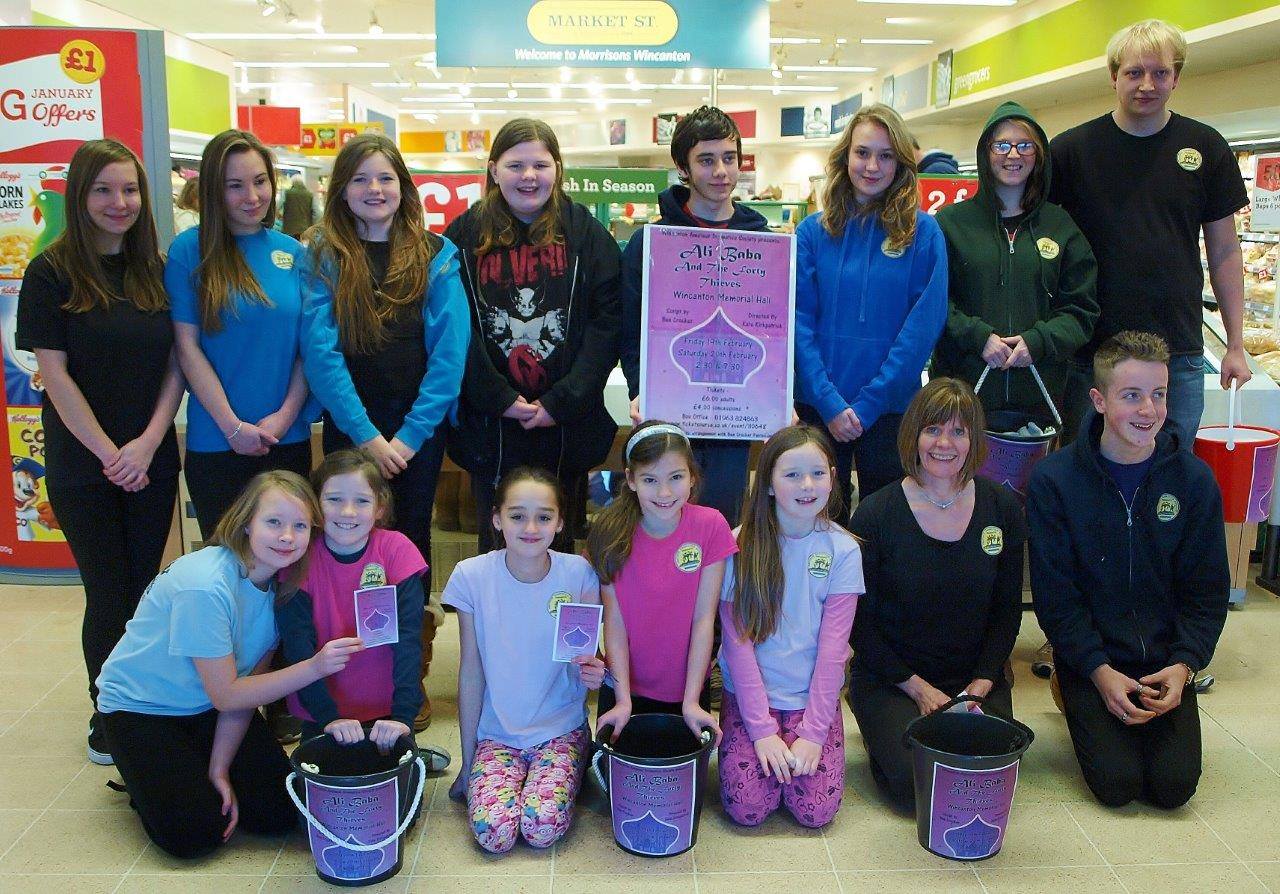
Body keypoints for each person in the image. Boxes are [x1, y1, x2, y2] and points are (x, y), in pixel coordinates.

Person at [16, 139, 185, 767]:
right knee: (108, 590)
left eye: (131, 190)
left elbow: (176, 364)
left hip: (151, 457)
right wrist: (112, 454)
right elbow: (55, 375)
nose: (120, 203)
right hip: (83, 463)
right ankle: (108, 712)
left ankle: (144, 701)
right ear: (80, 196)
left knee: (144, 589)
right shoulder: (51, 272)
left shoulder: (155, 270)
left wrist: (147, 443)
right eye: (104, 190)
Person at [95, 471, 364, 858]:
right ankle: (143, 780)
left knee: (280, 814)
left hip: (207, 705)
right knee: (194, 836)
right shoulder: (205, 584)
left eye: (300, 526)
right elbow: (227, 694)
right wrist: (315, 667)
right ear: (246, 523)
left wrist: (220, 769)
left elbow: (244, 694)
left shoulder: (282, 587)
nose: (287, 536)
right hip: (142, 709)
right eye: (274, 522)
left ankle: (191, 765)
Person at [300, 134, 469, 729]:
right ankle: (349, 677)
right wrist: (368, 437)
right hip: (353, 435)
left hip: (416, 437)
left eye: (385, 178)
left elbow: (449, 354)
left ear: (403, 186)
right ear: (342, 191)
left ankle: (405, 681)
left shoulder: (437, 254)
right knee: (346, 548)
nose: (374, 190)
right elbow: (321, 352)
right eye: (360, 179)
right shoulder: (324, 256)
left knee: (407, 551)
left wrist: (410, 436)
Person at [1028, 331, 1229, 809]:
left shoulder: (1194, 480)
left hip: (1165, 659)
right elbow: (1056, 598)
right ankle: (1068, 686)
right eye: (1131, 396)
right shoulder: (1054, 481)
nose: (1149, 410)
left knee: (1173, 788)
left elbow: (1207, 591)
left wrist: (1184, 665)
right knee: (1117, 785)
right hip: (1093, 658)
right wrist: (1096, 670)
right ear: (1098, 400)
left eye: (1159, 394)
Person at [1050, 19, 1251, 448]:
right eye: (1134, 72)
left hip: (1177, 350)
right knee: (1084, 467)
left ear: (1176, 77)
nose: (1147, 85)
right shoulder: (1070, 152)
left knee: (1172, 468)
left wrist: (1235, 344)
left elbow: (1224, 251)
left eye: (1160, 73)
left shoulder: (1207, 147)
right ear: (1113, 76)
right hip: (1090, 350)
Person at [847, 378, 1025, 811]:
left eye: (958, 431)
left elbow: (1007, 610)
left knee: (981, 775)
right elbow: (859, 623)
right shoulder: (875, 513)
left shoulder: (1002, 508)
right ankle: (878, 731)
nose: (945, 443)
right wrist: (918, 690)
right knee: (916, 785)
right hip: (896, 680)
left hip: (973, 679)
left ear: (974, 439)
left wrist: (981, 684)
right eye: (933, 430)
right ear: (913, 435)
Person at [444, 118, 621, 553]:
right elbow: (451, 327)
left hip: (565, 426)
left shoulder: (587, 235)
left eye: (540, 165)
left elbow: (608, 323)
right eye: (515, 165)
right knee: (496, 546)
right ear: (493, 169)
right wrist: (496, 397)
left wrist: (562, 400)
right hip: (490, 426)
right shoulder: (462, 237)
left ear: (557, 169)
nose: (528, 176)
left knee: (559, 546)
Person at [794, 103, 948, 522]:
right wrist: (828, 402)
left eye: (886, 155)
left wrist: (868, 404)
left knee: (885, 525)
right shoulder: (812, 232)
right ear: (845, 156)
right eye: (862, 153)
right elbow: (799, 323)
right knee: (818, 522)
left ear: (901, 163)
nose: (872, 166)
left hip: (890, 408)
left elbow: (922, 328)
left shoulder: (923, 233)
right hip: (820, 406)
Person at [442, 466, 605, 854]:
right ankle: (511, 776)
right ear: (497, 519)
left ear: (560, 522)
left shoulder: (578, 573)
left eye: (544, 517)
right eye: (517, 516)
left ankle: (571, 767)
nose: (530, 528)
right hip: (497, 735)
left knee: (541, 828)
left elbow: (588, 656)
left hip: (560, 730)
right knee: (494, 834)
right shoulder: (472, 576)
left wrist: (596, 670)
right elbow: (471, 672)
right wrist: (468, 762)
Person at [619, 106, 770, 524]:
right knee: (662, 520)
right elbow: (631, 330)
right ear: (683, 168)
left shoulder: (764, 243)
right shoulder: (650, 242)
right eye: (706, 160)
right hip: (668, 409)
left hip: (734, 417)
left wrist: (777, 396)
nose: (720, 171)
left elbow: (775, 333)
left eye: (729, 158)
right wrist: (640, 388)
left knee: (721, 522)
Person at [167, 129, 318, 539]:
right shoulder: (189, 251)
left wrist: (285, 417)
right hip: (217, 441)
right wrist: (232, 426)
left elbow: (307, 349)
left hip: (285, 438)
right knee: (227, 562)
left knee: (287, 561)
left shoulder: (295, 253)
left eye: (260, 181)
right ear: (213, 189)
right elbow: (187, 347)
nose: (252, 196)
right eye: (235, 185)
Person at [717, 425, 863, 828]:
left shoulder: (843, 550)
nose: (807, 485)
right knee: (747, 808)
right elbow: (737, 645)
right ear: (767, 483)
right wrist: (762, 731)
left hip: (810, 701)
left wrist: (813, 733)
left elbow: (833, 652)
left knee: (816, 811)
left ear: (833, 478)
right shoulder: (739, 545)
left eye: (817, 473)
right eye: (792, 474)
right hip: (751, 698)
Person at [932, 101, 1099, 419]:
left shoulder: (1061, 227)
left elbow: (1081, 310)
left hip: (1039, 397)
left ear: (1039, 155)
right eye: (1002, 145)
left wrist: (1038, 342)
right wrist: (978, 337)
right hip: (961, 398)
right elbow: (932, 300)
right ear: (986, 152)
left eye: (1025, 145)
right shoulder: (950, 224)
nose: (1013, 155)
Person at [276, 450, 444, 765]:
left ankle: (418, 756)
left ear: (380, 507)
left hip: (388, 711)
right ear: (314, 504)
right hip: (323, 712)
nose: (348, 512)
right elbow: (298, 648)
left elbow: (409, 641)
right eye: (334, 499)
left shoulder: (397, 551)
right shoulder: (300, 558)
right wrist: (328, 717)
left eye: (362, 501)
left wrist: (403, 716)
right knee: (328, 786)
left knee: (395, 789)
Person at [586, 420, 736, 742]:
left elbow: (704, 619)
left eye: (676, 477)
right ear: (631, 479)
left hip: (687, 687)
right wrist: (622, 699)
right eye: (650, 480)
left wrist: (692, 700)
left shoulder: (711, 526)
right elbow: (614, 622)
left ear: (692, 477)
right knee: (618, 769)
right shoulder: (611, 532)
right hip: (624, 686)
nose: (664, 493)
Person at [281, 174, 316, 239]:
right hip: (305, 228)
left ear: (292, 182)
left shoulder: (287, 193)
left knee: (289, 243)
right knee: (302, 244)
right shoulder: (310, 194)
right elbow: (316, 211)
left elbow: (279, 207)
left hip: (289, 228)